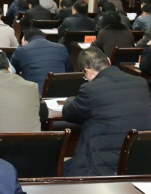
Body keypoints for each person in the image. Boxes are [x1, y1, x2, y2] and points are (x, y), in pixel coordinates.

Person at [62, 46, 151, 176]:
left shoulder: (90, 89)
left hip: (103, 165)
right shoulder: (140, 83)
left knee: (62, 169)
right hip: (138, 161)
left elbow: (69, 113)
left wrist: (70, 99)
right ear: (108, 61)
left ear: (88, 71)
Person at [10, 29, 72, 94]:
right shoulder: (61, 48)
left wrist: (21, 46)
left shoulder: (21, 51)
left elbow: (10, 71)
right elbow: (70, 70)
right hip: (60, 93)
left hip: (34, 94)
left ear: (25, 41)